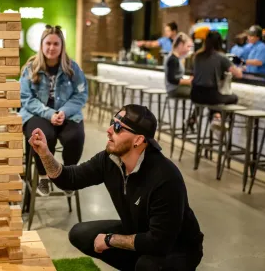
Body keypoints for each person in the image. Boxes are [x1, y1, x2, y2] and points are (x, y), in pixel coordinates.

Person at [28, 104, 204, 271]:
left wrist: (110, 239)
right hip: (139, 230)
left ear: (139, 140)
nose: (109, 130)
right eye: (112, 123)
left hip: (176, 247)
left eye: (118, 127)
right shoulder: (110, 160)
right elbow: (70, 179)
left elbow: (159, 242)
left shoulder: (165, 178)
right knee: (80, 234)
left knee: (147, 266)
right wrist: (45, 153)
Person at [20, 24, 88, 197]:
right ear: (41, 45)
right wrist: (50, 114)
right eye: (48, 43)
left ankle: (68, 176)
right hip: (37, 113)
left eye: (56, 44)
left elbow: (81, 95)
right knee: (42, 135)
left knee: (75, 136)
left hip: (66, 113)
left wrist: (64, 111)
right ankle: (43, 176)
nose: (51, 47)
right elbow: (26, 98)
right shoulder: (30, 68)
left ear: (62, 46)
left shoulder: (72, 68)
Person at [191, 31, 243, 128]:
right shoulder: (221, 57)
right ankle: (218, 119)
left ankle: (214, 117)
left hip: (194, 94)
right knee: (233, 98)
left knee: (214, 99)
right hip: (210, 95)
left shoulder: (197, 55)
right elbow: (238, 74)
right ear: (220, 43)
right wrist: (241, 69)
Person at [164, 32, 194, 98]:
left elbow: (177, 77)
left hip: (175, 88)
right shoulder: (173, 59)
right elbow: (172, 79)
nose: (189, 50)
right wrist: (188, 81)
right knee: (199, 93)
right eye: (188, 46)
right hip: (173, 90)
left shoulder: (176, 58)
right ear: (180, 45)